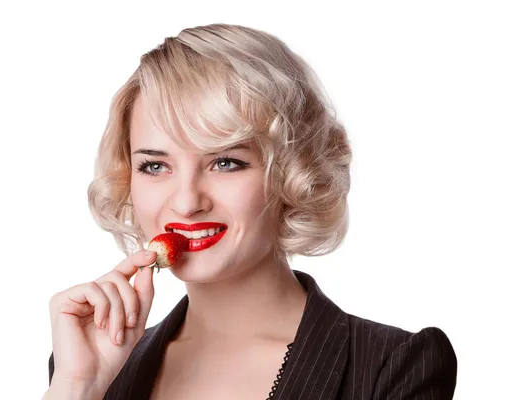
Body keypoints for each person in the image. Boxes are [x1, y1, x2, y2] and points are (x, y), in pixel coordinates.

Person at [43, 23, 457, 400]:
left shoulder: (393, 368)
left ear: (293, 172)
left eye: (226, 162)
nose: (186, 202)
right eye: (155, 166)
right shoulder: (95, 365)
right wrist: (77, 388)